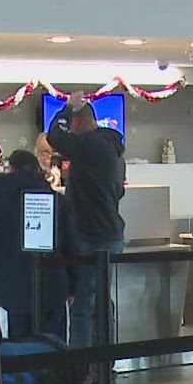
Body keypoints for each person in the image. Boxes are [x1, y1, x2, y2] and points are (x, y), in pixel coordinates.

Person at [46, 95, 125, 349]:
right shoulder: (111, 149)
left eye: (72, 122)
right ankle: (104, 366)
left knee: (83, 304)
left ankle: (81, 366)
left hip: (92, 234)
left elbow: (55, 136)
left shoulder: (90, 144)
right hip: (110, 232)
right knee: (102, 303)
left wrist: (68, 107)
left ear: (79, 121)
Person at [0, 151, 69, 341]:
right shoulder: (58, 200)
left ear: (10, 169)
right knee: (53, 348)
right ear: (37, 170)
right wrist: (72, 286)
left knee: (21, 350)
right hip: (54, 287)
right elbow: (70, 244)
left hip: (12, 290)